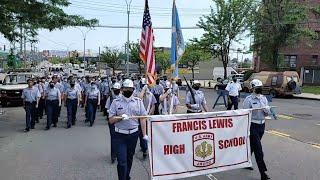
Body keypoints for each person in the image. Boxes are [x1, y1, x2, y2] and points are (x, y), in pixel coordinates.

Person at [108, 79, 148, 180]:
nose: (128, 90)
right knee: (121, 161)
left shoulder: (138, 102)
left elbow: (143, 118)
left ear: (133, 90)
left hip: (133, 135)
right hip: (119, 136)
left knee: (129, 159)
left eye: (130, 89)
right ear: (122, 89)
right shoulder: (116, 102)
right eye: (126, 88)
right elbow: (111, 120)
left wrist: (144, 135)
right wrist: (120, 117)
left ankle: (126, 176)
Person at [243, 79, 270, 180]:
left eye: (260, 87)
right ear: (253, 88)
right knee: (259, 150)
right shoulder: (248, 99)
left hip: (262, 126)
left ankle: (246, 161)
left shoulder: (264, 98)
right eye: (257, 87)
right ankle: (263, 173)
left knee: (253, 146)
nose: (259, 89)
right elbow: (245, 114)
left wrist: (265, 109)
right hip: (253, 125)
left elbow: (267, 113)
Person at [138, 78, 157, 158]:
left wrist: (149, 113)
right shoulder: (138, 93)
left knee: (146, 133)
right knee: (141, 134)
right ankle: (143, 147)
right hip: (139, 117)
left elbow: (153, 105)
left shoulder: (151, 95)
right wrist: (143, 90)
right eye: (143, 85)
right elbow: (139, 99)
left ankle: (145, 149)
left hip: (147, 117)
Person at [105, 82, 122, 163]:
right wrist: (110, 111)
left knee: (121, 138)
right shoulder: (110, 98)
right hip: (112, 120)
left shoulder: (122, 98)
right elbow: (106, 107)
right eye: (115, 90)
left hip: (121, 121)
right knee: (114, 138)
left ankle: (120, 152)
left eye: (117, 90)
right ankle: (113, 155)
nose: (116, 91)